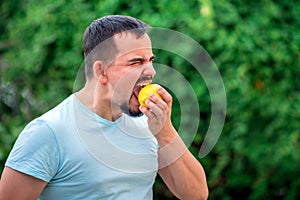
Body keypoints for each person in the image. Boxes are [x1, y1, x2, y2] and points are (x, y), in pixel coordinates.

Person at [0, 15, 208, 199]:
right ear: (101, 71)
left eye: (150, 60)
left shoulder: (149, 125)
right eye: (136, 62)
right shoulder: (48, 132)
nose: (151, 70)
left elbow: (196, 194)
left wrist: (165, 132)